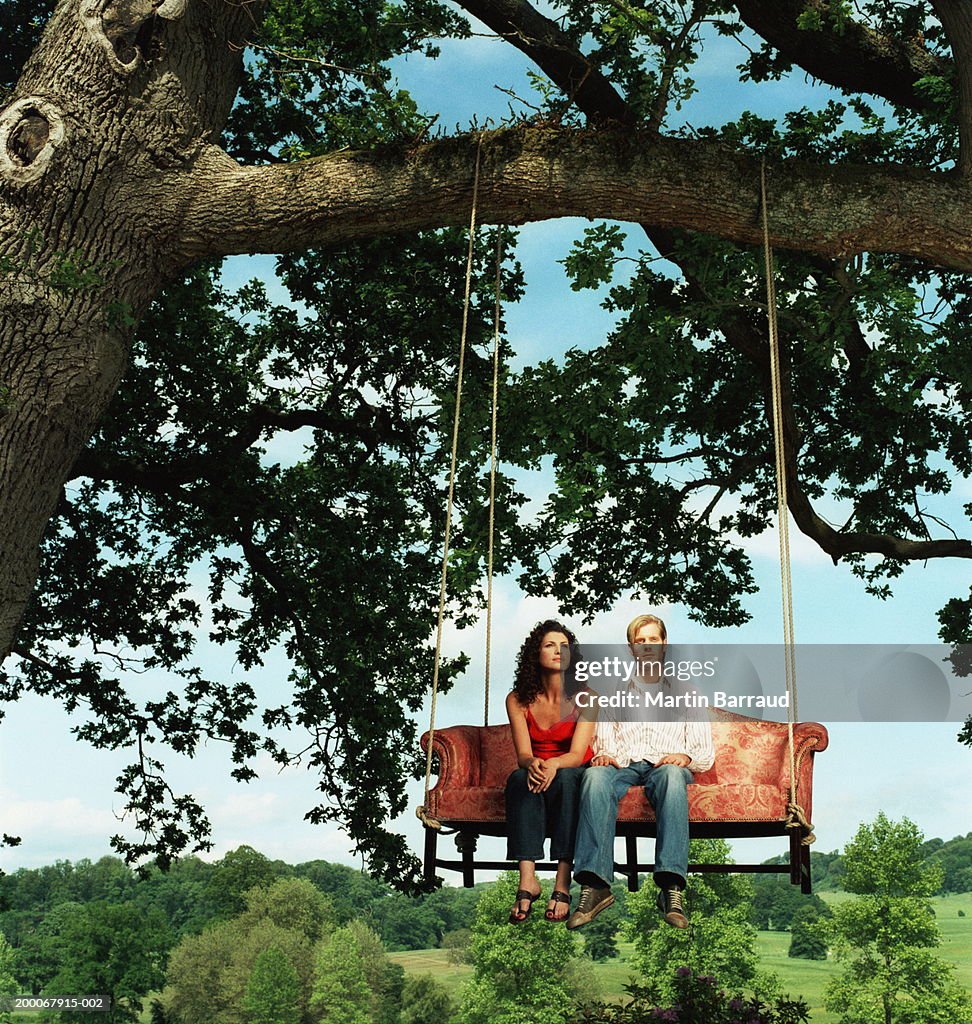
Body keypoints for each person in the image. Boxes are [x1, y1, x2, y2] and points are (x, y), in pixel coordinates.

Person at [565, 613, 714, 931]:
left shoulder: (687, 692)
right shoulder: (615, 693)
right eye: (640, 641)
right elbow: (606, 740)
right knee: (593, 777)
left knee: (672, 778)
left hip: (666, 765)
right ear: (631, 648)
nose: (647, 646)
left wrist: (684, 757)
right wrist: (604, 756)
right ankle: (596, 885)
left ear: (664, 645)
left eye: (653, 640)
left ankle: (670, 888)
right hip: (626, 765)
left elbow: (704, 754)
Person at [505, 619, 595, 923]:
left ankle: (562, 881)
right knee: (519, 778)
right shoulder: (517, 699)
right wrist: (534, 765)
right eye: (549, 645)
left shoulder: (587, 696)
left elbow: (577, 754)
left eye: (564, 646)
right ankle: (527, 879)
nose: (558, 651)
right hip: (538, 770)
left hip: (570, 768)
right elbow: (523, 754)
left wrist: (553, 764)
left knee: (570, 780)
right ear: (535, 654)